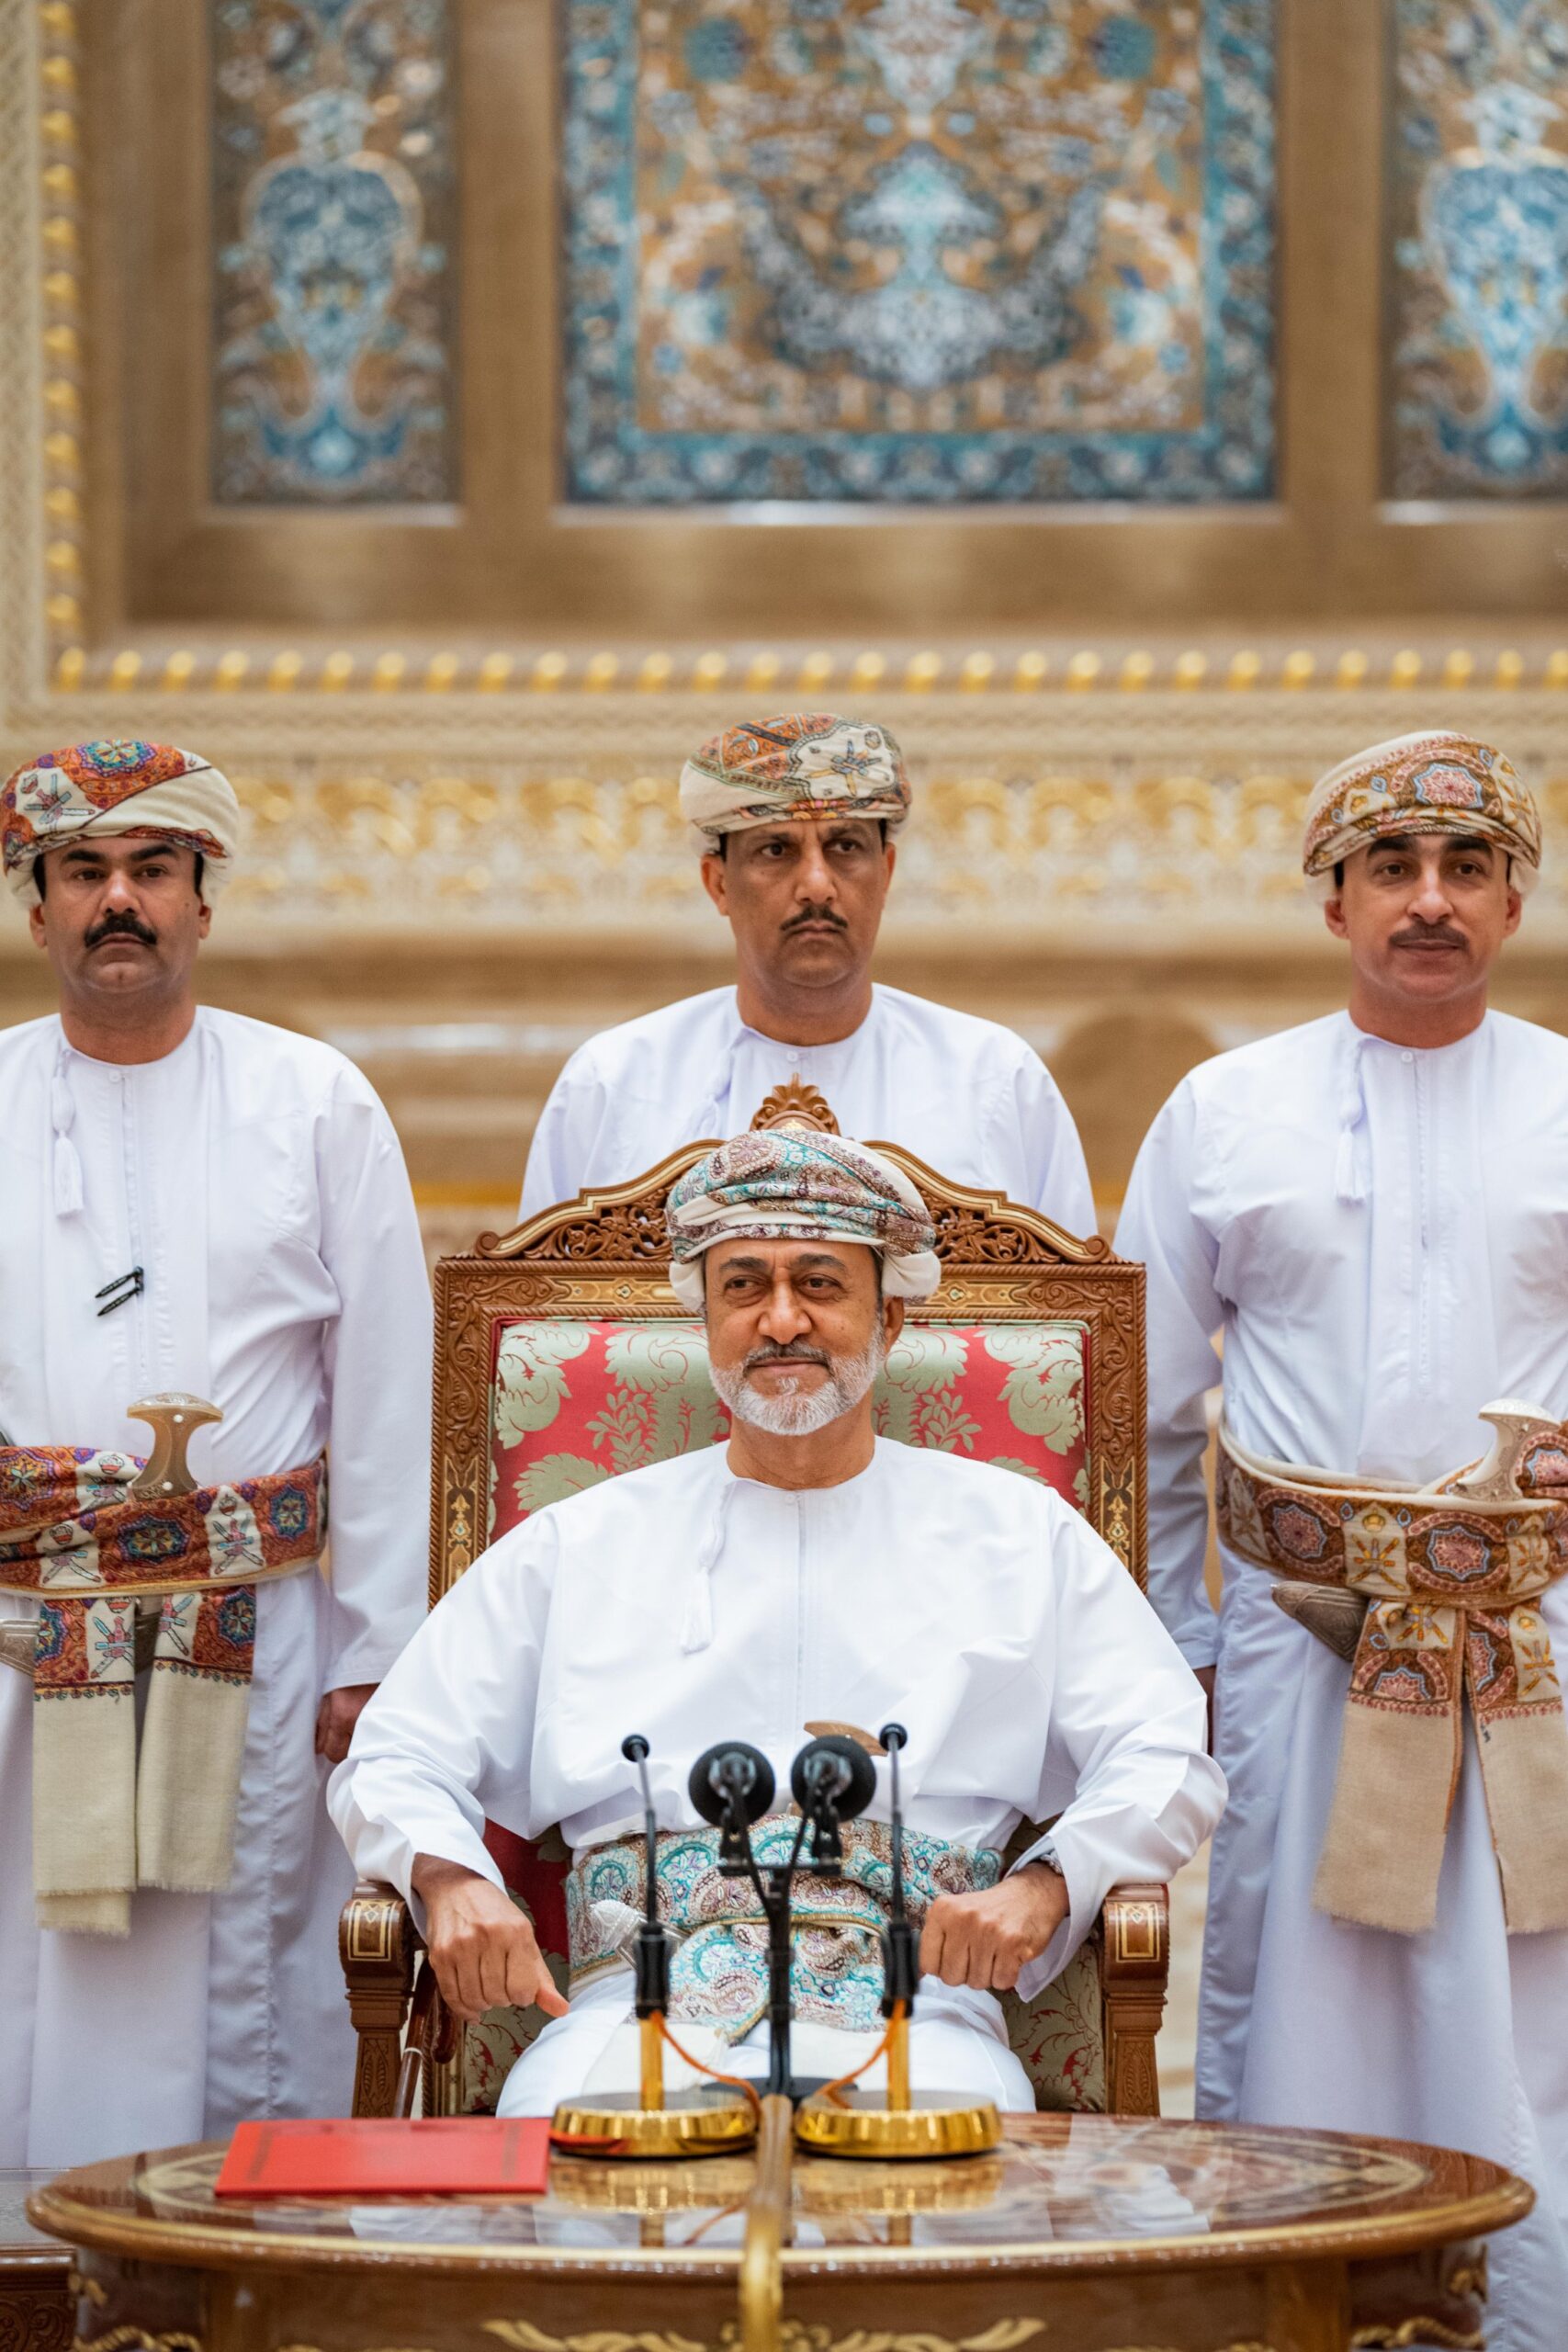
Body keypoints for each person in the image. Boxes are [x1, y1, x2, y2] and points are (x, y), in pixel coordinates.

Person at [333, 1125, 1222, 2115]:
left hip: (920, 2025)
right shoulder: (576, 1543)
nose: (781, 1319)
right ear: (704, 1316)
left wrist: (1049, 1885)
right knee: (578, 2188)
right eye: (744, 1285)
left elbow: (1167, 1748)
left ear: (892, 1315)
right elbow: (394, 1754)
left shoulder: (1020, 1535)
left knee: (950, 2204)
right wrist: (451, 1879)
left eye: (821, 1283)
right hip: (630, 2022)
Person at [1116, 730, 1568, 2350]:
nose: (1427, 903)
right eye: (1390, 870)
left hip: (1540, 1654)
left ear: (1515, 897)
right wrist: (1170, 1644)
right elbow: (1146, 1412)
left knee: (1532, 2012)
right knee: (1304, 1991)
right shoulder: (1222, 1111)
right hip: (1297, 1649)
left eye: (1462, 870)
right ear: (1332, 904)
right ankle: (1292, 2306)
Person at [0, 737, 433, 2166]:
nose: (117, 902)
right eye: (83, 874)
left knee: (253, 1964)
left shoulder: (316, 1101)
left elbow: (381, 1390)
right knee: (39, 1973)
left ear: (203, 897)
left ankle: (257, 2278)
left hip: (270, 1631)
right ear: (36, 902)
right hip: (26, 1629)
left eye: (150, 871)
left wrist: (380, 1652)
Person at [519, 714, 1094, 1232]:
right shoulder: (612, 1082)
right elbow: (536, 1328)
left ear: (886, 873)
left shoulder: (995, 1078)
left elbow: (1078, 1322)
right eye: (776, 850)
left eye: (845, 846)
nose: (817, 884)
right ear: (718, 883)